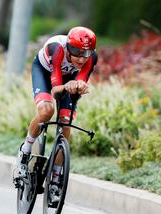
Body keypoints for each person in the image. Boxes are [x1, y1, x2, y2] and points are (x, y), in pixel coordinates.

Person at [13, 26, 98, 195]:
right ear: (68, 47)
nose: (81, 59)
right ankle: (25, 152)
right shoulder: (57, 49)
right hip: (46, 73)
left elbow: (81, 79)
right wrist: (67, 86)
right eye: (76, 52)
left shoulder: (91, 57)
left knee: (66, 123)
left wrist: (80, 85)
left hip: (68, 80)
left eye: (86, 53)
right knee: (46, 110)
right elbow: (55, 90)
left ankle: (57, 176)